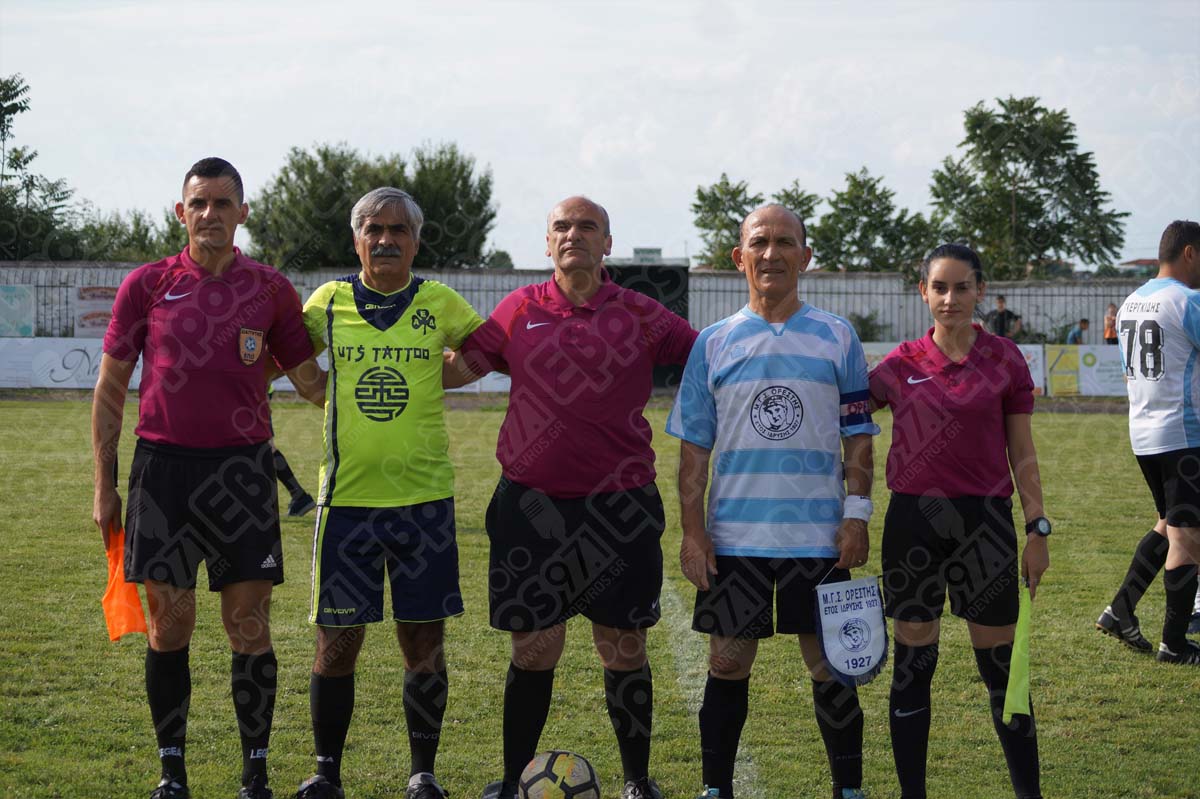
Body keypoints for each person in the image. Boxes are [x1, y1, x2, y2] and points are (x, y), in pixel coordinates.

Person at [448, 196, 697, 799]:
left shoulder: (640, 313)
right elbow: (460, 370)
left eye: (588, 227)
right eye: (562, 226)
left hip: (620, 508)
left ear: (607, 243)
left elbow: (710, 357)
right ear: (547, 242)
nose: (573, 235)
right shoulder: (519, 309)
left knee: (623, 647)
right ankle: (514, 780)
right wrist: (400, 350)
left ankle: (637, 781)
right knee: (534, 649)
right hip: (531, 506)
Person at [91, 157, 324, 799]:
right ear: (180, 212)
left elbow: (311, 384)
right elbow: (110, 389)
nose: (210, 214)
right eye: (199, 203)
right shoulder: (147, 284)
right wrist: (104, 485)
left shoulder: (270, 289)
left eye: (223, 203)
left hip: (242, 472)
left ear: (242, 212)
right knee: (170, 626)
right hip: (162, 472)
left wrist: (386, 362)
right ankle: (173, 773)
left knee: (248, 625)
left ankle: (255, 774)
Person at [666, 204, 876, 799]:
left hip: (819, 536)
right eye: (759, 242)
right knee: (727, 665)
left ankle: (848, 789)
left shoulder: (838, 336)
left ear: (805, 257)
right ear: (740, 257)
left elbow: (859, 437)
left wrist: (856, 516)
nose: (771, 253)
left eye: (785, 242)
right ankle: (716, 788)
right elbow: (693, 450)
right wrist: (692, 533)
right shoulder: (713, 343)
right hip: (736, 538)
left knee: (831, 666)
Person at [293, 188, 485, 799]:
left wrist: (438, 375)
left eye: (398, 230)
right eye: (373, 229)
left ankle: (423, 772)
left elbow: (485, 349)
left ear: (416, 241)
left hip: (423, 501)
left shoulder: (439, 300)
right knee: (337, 642)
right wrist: (318, 391)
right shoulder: (328, 302)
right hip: (345, 503)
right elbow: (287, 352)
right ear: (357, 240)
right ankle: (326, 773)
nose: (385, 240)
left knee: (423, 641)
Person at [869, 243, 1049, 799]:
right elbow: (843, 417)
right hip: (912, 524)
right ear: (922, 291)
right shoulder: (898, 365)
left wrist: (1037, 527)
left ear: (980, 291)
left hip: (985, 526)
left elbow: (1022, 451)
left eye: (962, 287)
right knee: (913, 666)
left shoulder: (1005, 359)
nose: (950, 298)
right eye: (939, 287)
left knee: (1002, 672)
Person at [1096, 219, 1200, 665]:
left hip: (1144, 432)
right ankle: (1174, 644)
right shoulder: (1188, 300)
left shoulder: (1132, 303)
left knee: (1169, 523)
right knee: (1187, 536)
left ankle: (1120, 610)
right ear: (1190, 253)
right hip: (1184, 433)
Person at [267, 381, 316, 517]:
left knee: (266, 447)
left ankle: (299, 495)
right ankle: (299, 495)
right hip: (248, 390)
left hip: (252, 391)